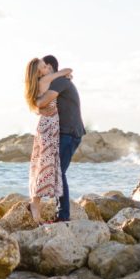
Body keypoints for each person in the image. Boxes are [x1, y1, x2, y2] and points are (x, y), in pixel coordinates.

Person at [23, 59, 72, 224]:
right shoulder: (45, 80)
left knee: (41, 166)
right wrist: (66, 74)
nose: (47, 68)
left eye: (46, 65)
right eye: (44, 67)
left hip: (45, 125)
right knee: (44, 167)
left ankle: (35, 206)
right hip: (49, 126)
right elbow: (67, 70)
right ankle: (34, 205)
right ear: (39, 73)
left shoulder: (37, 83)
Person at [42, 54, 86, 222]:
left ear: (49, 67)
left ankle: (63, 215)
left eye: (42, 68)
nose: (40, 72)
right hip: (67, 132)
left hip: (69, 133)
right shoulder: (59, 80)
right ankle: (61, 213)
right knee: (58, 172)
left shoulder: (59, 81)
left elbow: (42, 101)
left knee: (59, 173)